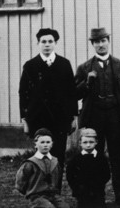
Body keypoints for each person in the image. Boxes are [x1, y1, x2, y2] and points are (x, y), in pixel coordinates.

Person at [74, 27, 120, 202]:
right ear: (92, 44)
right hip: (94, 116)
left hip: (115, 116)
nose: (101, 45)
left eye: (103, 40)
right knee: (94, 155)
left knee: (117, 155)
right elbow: (75, 93)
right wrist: (87, 82)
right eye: (97, 42)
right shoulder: (84, 67)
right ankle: (95, 193)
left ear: (108, 41)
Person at [18, 28, 77, 188]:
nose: (47, 45)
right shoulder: (30, 66)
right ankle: (40, 191)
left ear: (55, 43)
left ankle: (55, 192)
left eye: (50, 41)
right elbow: (23, 94)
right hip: (38, 119)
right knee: (41, 156)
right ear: (38, 43)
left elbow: (71, 92)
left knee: (58, 157)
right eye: (43, 41)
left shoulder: (64, 64)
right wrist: (25, 120)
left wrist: (73, 117)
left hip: (60, 120)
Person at [14, 128, 71, 208]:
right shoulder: (30, 163)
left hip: (52, 195)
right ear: (35, 144)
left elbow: (57, 178)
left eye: (48, 142)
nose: (45, 145)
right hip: (36, 196)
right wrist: (30, 193)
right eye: (42, 142)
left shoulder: (55, 161)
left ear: (52, 144)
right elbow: (20, 182)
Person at [66, 128, 112, 207]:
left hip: (98, 192)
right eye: (85, 142)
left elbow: (106, 174)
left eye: (91, 142)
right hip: (82, 193)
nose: (88, 145)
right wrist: (77, 188)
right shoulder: (75, 160)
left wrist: (98, 185)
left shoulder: (101, 158)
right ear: (80, 143)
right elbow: (70, 176)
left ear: (96, 142)